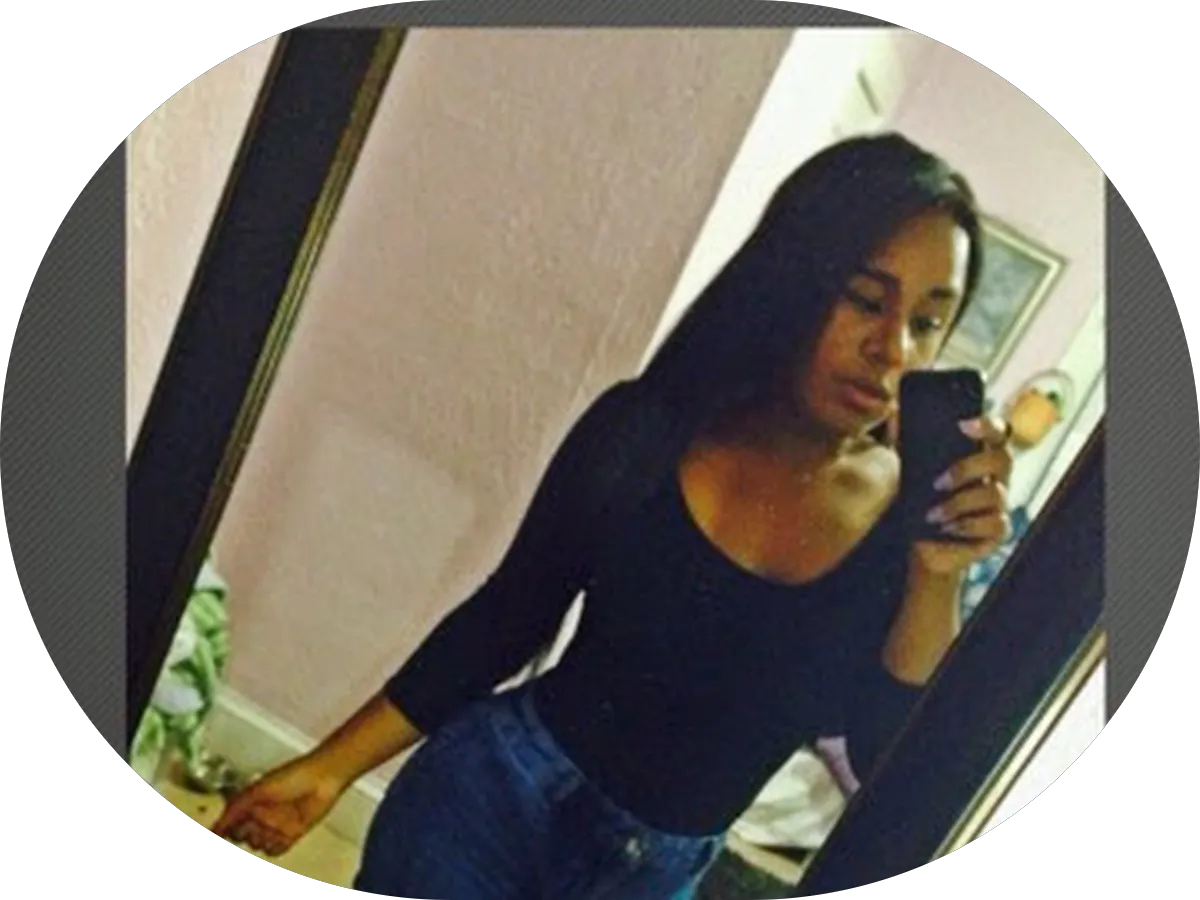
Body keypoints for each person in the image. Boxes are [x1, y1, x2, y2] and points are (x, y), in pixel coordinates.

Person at [213, 133, 1014, 899]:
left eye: (927, 321)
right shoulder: (647, 432)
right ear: (794, 282)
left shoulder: (904, 526)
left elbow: (883, 759)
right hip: (487, 808)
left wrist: (937, 574)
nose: (894, 349)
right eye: (866, 300)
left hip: (650, 879)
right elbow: (508, 616)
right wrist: (329, 768)